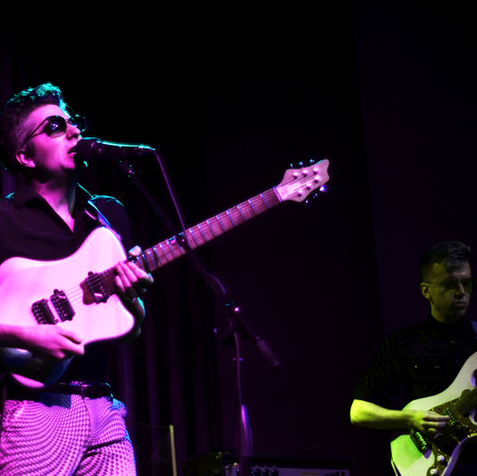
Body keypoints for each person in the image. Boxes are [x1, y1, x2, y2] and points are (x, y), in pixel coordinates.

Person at [0, 83, 154, 474]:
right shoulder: (3, 221)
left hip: (105, 408)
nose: (74, 131)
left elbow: (131, 331)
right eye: (55, 126)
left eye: (74, 122)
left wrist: (132, 298)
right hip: (35, 412)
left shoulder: (107, 216)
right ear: (25, 156)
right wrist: (26, 336)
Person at [350, 241, 477, 474]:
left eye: (467, 283)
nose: (461, 292)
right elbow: (359, 411)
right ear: (426, 290)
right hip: (431, 462)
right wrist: (410, 419)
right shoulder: (403, 342)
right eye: (450, 284)